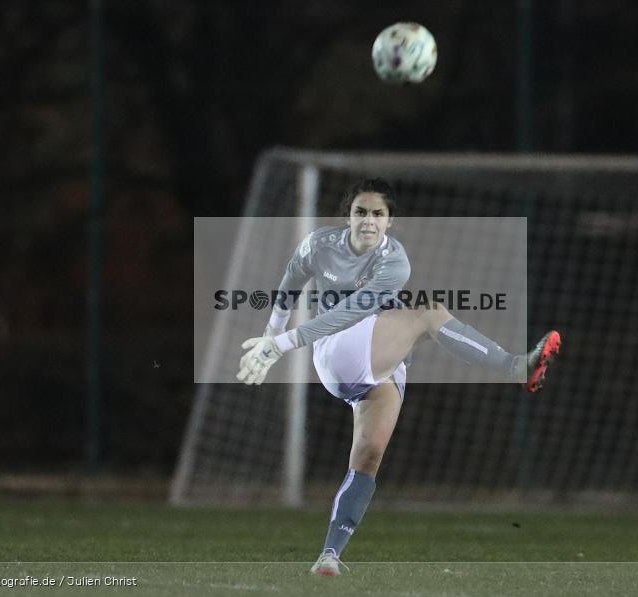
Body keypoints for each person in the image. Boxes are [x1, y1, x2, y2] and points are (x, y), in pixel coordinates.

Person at [237, 178, 560, 576]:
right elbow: (293, 282)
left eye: (378, 214)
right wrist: (273, 335)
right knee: (429, 314)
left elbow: (357, 310)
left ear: (390, 222)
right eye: (360, 212)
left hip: (374, 367)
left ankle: (329, 556)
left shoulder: (395, 262)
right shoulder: (320, 245)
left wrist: (281, 343)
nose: (368, 221)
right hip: (337, 352)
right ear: (347, 217)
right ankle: (515, 368)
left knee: (368, 458)